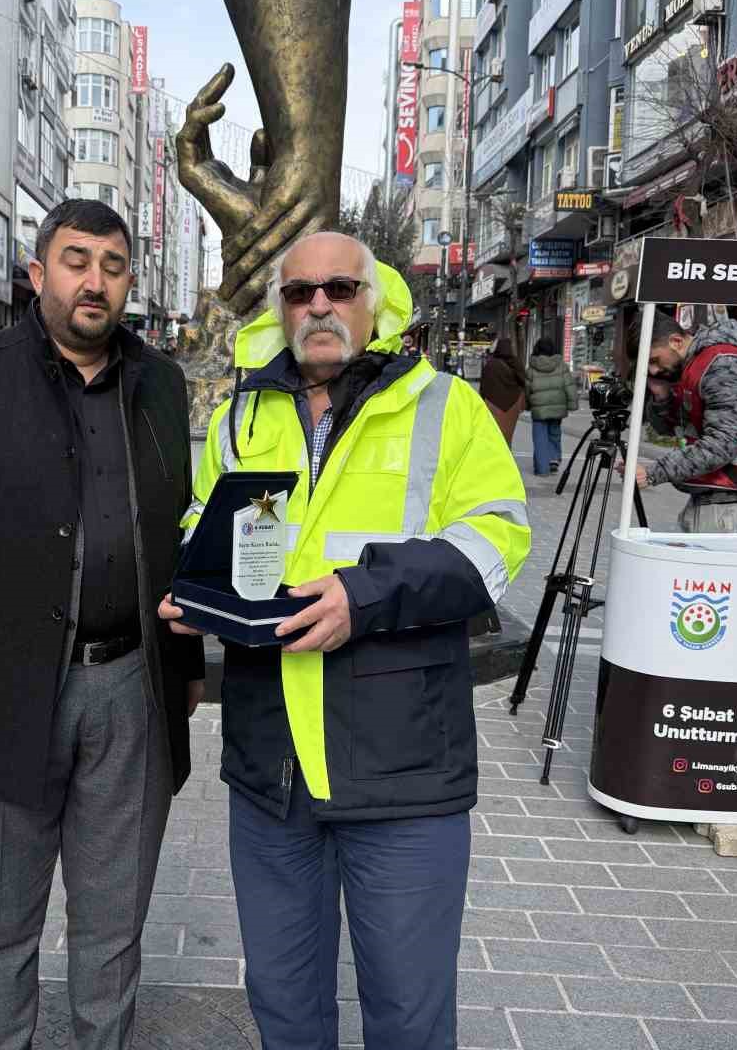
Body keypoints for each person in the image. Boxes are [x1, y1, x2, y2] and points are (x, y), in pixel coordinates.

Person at [160, 232, 531, 1050]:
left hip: (401, 772)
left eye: (339, 288)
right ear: (280, 308)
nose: (319, 305)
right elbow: (202, 518)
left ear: (375, 301)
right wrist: (199, 585)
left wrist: (364, 595)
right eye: (299, 292)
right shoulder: (239, 415)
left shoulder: (445, 407)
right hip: (271, 770)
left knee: (407, 1016)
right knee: (284, 1007)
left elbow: (495, 543)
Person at [0, 199, 205, 1050]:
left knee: (114, 928)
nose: (95, 281)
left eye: (113, 266)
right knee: (0, 929)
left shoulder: (161, 385)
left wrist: (188, 663)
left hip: (132, 692)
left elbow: (177, 533)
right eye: (76, 260)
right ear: (36, 273)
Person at [624, 308, 737, 532]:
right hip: (719, 496)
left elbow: (722, 445)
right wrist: (662, 397)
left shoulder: (722, 364)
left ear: (676, 341)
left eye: (654, 360)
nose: (653, 370)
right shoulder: (693, 365)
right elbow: (672, 429)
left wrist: (654, 473)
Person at [525, 336, 577, 475]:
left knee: (540, 438)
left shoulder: (531, 369)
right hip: (557, 407)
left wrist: (527, 405)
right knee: (554, 433)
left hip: (539, 409)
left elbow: (527, 390)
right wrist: (572, 404)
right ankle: (553, 458)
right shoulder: (561, 366)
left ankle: (542, 468)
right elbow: (569, 386)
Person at [478, 335, 526, 446]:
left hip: (493, 404)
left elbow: (484, 385)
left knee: (494, 437)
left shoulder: (491, 364)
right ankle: (507, 454)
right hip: (513, 405)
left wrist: (482, 400)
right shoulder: (516, 363)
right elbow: (523, 382)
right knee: (508, 437)